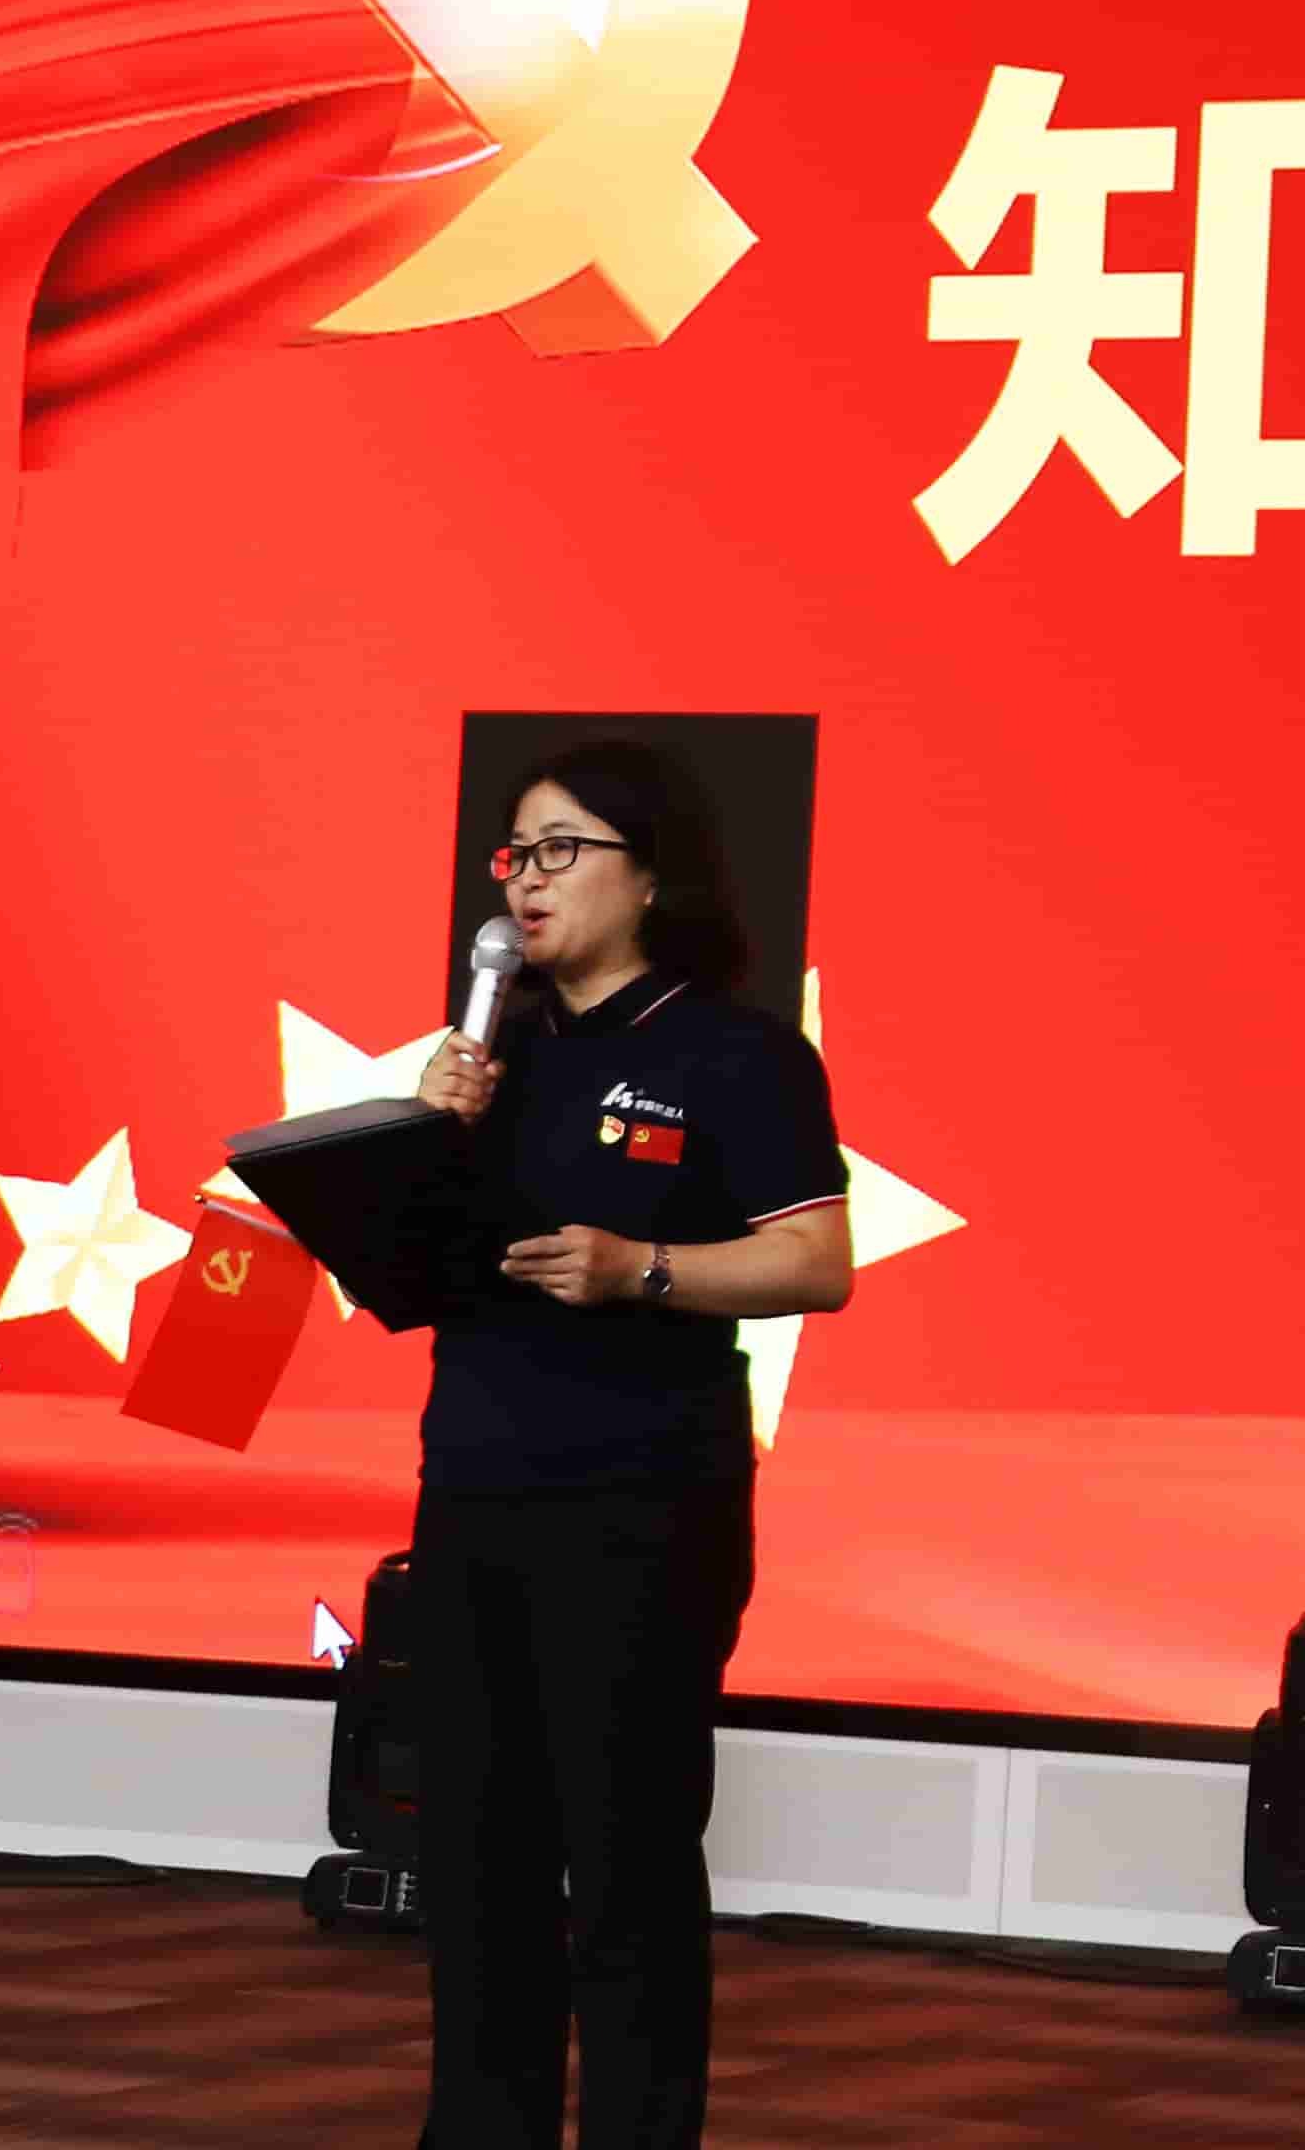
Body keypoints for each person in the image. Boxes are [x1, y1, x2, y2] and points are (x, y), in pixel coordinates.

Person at [401, 738, 851, 2150]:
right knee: (475, 1860)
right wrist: (419, 1136)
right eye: (513, 856)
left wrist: (639, 1270)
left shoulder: (735, 1052)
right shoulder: (490, 1057)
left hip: (643, 1502)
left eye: (561, 850)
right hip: (474, 1488)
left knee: (626, 1864)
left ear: (650, 875)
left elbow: (816, 1262)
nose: (524, 884)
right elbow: (411, 1271)